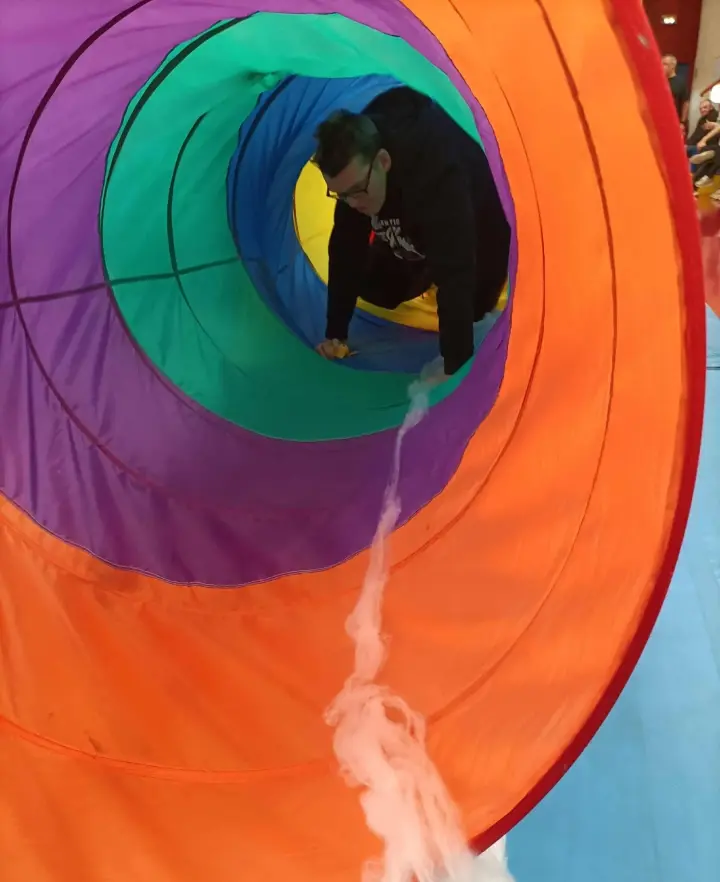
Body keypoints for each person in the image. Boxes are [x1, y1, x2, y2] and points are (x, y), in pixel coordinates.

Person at [312, 86, 511, 378]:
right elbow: (345, 248)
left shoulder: (436, 173)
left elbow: (456, 272)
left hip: (482, 223)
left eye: (357, 191)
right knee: (377, 289)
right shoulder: (357, 169)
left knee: (473, 315)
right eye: (341, 195)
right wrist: (335, 334)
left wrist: (453, 367)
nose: (352, 204)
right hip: (411, 218)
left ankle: (436, 270)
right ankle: (425, 268)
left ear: (383, 161)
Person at [662, 55, 689, 130]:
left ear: (673, 66)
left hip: (672, 120)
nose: (662, 66)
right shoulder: (660, 81)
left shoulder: (680, 82)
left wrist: (682, 122)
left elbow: (685, 103)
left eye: (665, 64)